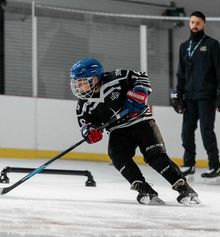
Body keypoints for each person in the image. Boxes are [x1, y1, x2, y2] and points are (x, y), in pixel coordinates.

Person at [70, 57, 200, 206]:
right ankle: (144, 190)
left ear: (95, 78)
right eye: (77, 83)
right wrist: (90, 132)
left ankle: (185, 189)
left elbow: (141, 77)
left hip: (142, 122)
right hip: (118, 130)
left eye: (82, 82)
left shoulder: (116, 77)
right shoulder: (83, 105)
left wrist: (138, 93)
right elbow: (85, 124)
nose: (79, 87)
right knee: (118, 156)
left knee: (156, 157)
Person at [172, 11, 220, 179]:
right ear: (189, 23)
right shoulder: (184, 46)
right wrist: (178, 94)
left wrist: (219, 96)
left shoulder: (212, 45)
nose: (195, 25)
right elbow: (181, 73)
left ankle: (215, 166)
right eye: (192, 22)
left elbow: (219, 72)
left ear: (204, 24)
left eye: (198, 23)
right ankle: (189, 164)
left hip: (206, 96)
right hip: (189, 96)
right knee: (186, 132)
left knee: (206, 131)